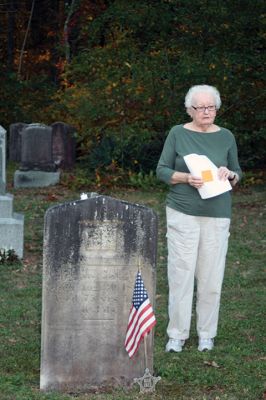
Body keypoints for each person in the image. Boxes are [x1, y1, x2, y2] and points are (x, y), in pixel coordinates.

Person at [156, 84, 242, 352]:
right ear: (189, 110)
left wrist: (230, 175)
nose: (206, 112)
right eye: (201, 107)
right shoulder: (177, 133)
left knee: (211, 277)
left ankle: (207, 334)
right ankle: (177, 335)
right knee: (181, 275)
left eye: (211, 107)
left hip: (217, 214)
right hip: (183, 212)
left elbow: (238, 172)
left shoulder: (226, 136)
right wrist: (185, 178)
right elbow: (161, 170)